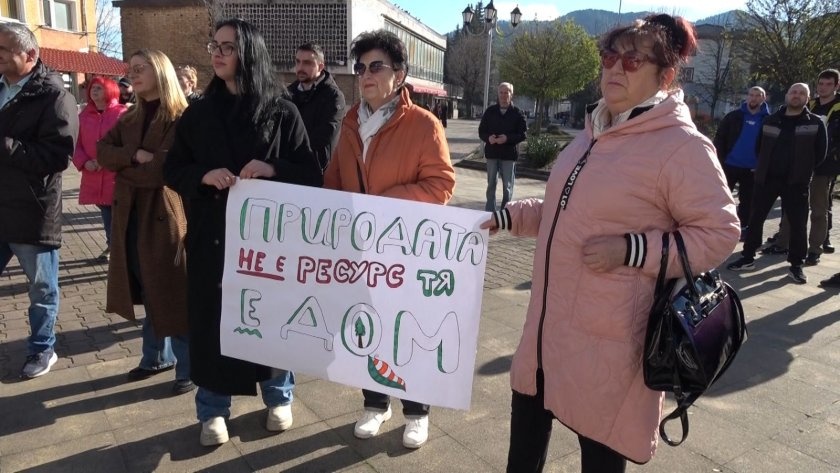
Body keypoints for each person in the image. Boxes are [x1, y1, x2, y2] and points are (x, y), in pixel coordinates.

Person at [481, 14, 739, 471]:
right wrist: (511, 216)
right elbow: (567, 209)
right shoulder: (594, 131)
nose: (616, 69)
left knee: (599, 455)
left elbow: (720, 233)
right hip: (547, 328)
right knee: (523, 451)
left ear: (665, 75)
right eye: (609, 56)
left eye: (633, 60)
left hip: (610, 342)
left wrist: (632, 250)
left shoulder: (681, 146)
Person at [164, 18, 322, 447]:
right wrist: (202, 175)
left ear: (248, 53)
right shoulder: (198, 113)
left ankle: (279, 396)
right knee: (213, 322)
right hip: (213, 239)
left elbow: (311, 172)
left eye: (227, 47)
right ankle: (212, 408)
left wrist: (273, 169)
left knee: (270, 320)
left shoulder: (281, 110)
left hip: (267, 245)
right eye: (213, 45)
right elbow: (172, 168)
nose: (216, 53)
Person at [323, 29, 455, 449]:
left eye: (375, 66)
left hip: (405, 253)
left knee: (406, 331)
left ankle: (417, 412)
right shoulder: (349, 122)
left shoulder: (423, 124)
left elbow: (441, 185)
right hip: (359, 251)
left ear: (399, 74)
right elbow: (334, 182)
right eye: (360, 67)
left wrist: (384, 205)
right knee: (366, 328)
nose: (365, 74)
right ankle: (375, 403)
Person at [97, 49, 193, 394]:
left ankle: (188, 367)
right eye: (131, 69)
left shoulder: (181, 117)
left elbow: (163, 171)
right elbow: (101, 152)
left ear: (161, 72)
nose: (133, 75)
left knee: (172, 290)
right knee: (148, 288)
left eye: (141, 69)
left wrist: (127, 170)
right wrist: (133, 156)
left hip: (164, 216)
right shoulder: (128, 117)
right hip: (131, 217)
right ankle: (154, 357)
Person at [0, 23, 78, 379]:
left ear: (29, 55)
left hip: (32, 210)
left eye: (3, 49)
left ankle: (42, 349)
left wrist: (7, 145)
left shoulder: (53, 95)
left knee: (41, 288)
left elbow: (57, 157)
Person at [728, 83, 827, 283]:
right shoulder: (771, 120)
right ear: (787, 95)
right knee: (756, 219)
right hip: (767, 180)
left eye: (801, 93)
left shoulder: (816, 123)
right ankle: (748, 257)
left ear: (807, 98)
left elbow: (820, 154)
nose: (796, 95)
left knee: (798, 224)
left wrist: (802, 170)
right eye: (793, 92)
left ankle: (796, 265)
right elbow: (759, 148)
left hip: (796, 182)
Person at [776, 69, 840, 268]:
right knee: (791, 206)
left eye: (828, 84)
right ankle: (782, 243)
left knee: (819, 210)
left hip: (824, 166)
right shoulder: (809, 105)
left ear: (836, 86)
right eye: (821, 84)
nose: (823, 88)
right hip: (799, 165)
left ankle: (814, 250)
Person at [71, 77, 128, 260]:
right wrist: (84, 161)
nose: (94, 91)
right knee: (106, 214)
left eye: (99, 88)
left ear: (110, 90)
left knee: (118, 216)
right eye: (92, 88)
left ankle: (119, 248)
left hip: (116, 175)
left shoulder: (122, 114)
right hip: (93, 176)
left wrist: (107, 160)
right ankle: (113, 246)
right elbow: (74, 143)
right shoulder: (83, 117)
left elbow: (126, 143)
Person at [713, 86, 770, 240]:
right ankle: (716, 226)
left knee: (748, 202)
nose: (754, 98)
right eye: (751, 95)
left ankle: (742, 228)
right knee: (721, 199)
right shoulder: (733, 116)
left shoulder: (769, 120)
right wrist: (719, 160)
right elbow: (720, 138)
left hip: (752, 169)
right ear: (747, 97)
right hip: (729, 166)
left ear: (764, 98)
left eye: (758, 95)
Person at [287, 42, 346, 172]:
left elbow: (324, 139)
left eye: (307, 63)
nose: (300, 67)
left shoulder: (333, 97)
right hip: (288, 171)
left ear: (320, 66)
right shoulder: (287, 94)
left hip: (319, 174)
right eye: (298, 62)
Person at [479, 82, 527, 211]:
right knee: (491, 185)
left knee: (507, 186)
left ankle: (505, 212)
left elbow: (523, 134)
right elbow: (481, 131)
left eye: (507, 92)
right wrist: (488, 138)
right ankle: (490, 212)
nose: (504, 95)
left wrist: (507, 138)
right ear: (498, 94)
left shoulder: (517, 113)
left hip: (508, 156)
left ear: (512, 95)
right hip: (492, 154)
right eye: (501, 92)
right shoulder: (490, 112)